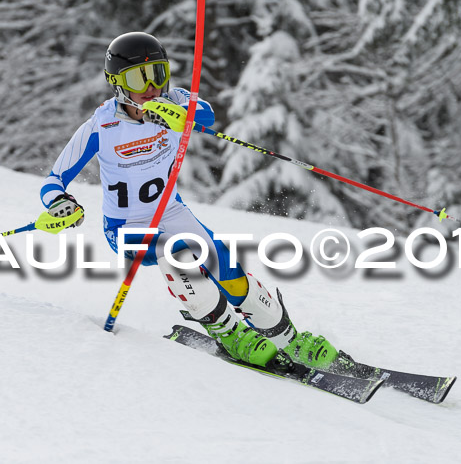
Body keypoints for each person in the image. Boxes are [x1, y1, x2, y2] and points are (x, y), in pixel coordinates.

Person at [40, 32, 340, 371]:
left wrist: (180, 112)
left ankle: (287, 339)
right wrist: (60, 203)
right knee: (179, 254)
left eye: (159, 73)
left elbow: (207, 115)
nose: (152, 87)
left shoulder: (174, 100)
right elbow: (53, 181)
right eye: (139, 78)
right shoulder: (101, 127)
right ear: (117, 84)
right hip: (125, 227)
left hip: (170, 210)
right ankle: (229, 333)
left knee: (224, 265)